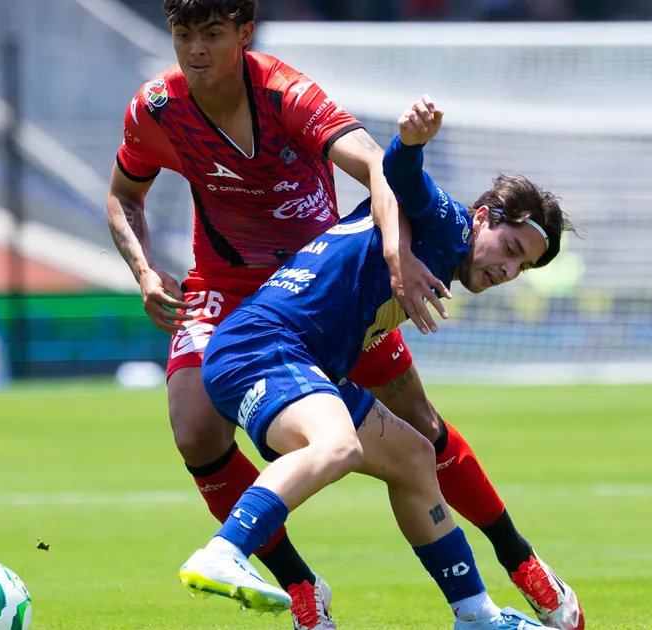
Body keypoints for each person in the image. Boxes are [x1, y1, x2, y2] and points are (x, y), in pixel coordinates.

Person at [108, 1, 581, 627]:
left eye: (212, 34)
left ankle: (500, 585)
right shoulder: (157, 110)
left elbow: (377, 168)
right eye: (183, 34)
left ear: (244, 35)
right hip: (259, 303)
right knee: (216, 434)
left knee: (418, 441)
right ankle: (275, 574)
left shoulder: (285, 94)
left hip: (323, 297)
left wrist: (396, 241)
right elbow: (124, 195)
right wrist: (145, 271)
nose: (195, 49)